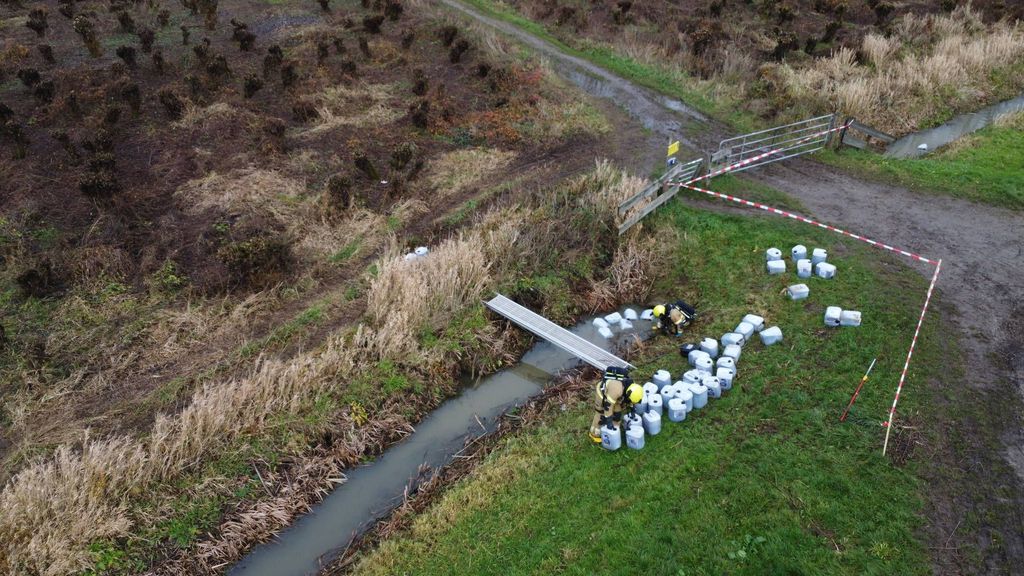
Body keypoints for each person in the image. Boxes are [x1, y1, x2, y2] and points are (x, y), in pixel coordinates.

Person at [589, 366, 644, 443]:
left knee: (617, 412)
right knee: (600, 413)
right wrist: (608, 421)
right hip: (602, 394)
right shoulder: (616, 390)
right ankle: (594, 433)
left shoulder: (632, 387)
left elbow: (631, 400)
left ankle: (615, 429)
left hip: (615, 396)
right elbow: (608, 406)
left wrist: (632, 409)